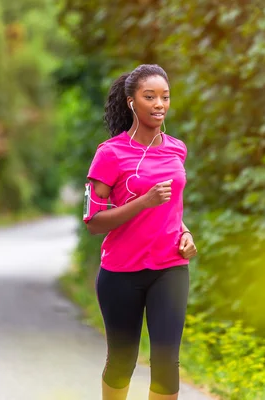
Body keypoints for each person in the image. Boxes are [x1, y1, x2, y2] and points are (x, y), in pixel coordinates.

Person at [84, 64, 197, 400]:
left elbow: (173, 208)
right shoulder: (110, 154)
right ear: (132, 102)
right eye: (150, 97)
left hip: (170, 268)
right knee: (122, 360)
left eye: (165, 97)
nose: (159, 104)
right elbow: (93, 221)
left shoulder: (177, 149)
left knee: (166, 361)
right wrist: (143, 202)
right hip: (121, 271)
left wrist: (186, 233)